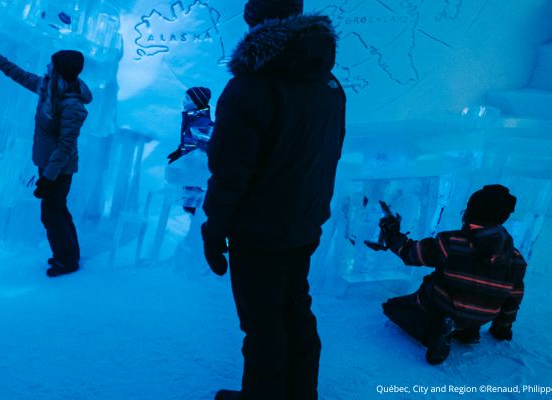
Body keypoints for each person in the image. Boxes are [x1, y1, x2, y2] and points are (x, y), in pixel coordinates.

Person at [200, 0, 346, 398]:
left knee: (263, 326)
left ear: (255, 23)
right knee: (295, 312)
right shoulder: (328, 83)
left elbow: (230, 172)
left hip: (259, 232)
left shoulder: (250, 87)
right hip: (302, 223)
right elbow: (328, 156)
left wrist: (215, 229)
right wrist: (314, 213)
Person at [0, 38, 92, 277]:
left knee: (51, 214)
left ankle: (66, 261)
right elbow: (20, 75)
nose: (47, 68)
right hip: (48, 166)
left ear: (61, 71)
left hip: (59, 169)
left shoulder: (72, 106)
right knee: (58, 210)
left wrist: (47, 178)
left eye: (52, 65)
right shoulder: (50, 89)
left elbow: (66, 146)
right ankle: (69, 255)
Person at [379, 184, 527, 365]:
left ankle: (435, 331)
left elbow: (412, 254)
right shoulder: (516, 259)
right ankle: (465, 329)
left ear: (471, 212)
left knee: (393, 307)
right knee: (471, 308)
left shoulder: (451, 243)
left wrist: (392, 235)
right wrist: (503, 327)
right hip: (482, 316)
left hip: (443, 306)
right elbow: (513, 298)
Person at [166, 86, 214, 215]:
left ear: (197, 102)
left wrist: (186, 157)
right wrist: (179, 151)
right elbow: (189, 142)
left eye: (188, 99)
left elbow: (203, 149)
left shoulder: (203, 124)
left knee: (195, 204)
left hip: (196, 172)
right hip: (190, 169)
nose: (184, 101)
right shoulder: (193, 119)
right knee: (189, 200)